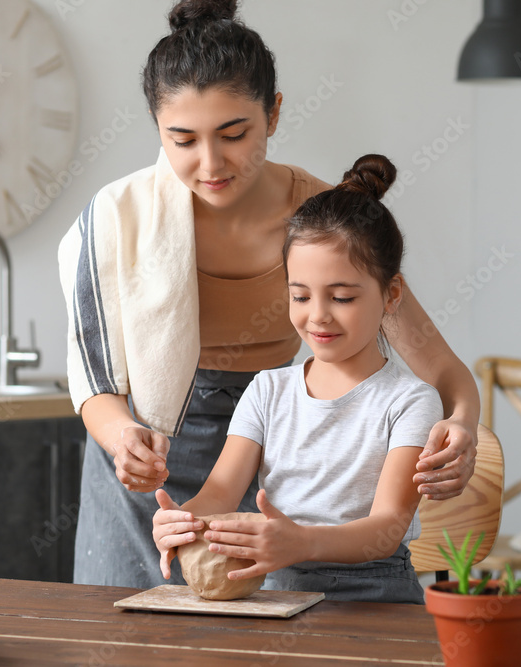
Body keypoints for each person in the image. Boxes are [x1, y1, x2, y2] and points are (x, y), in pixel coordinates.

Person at [58, 0, 480, 590]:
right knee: (126, 636)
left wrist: (463, 426)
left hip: (279, 448)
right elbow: (93, 377)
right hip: (146, 449)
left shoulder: (321, 222)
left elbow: (441, 370)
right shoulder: (115, 220)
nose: (210, 164)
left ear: (274, 114)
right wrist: (123, 437)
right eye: (182, 140)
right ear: (158, 128)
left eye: (234, 135)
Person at [153, 155, 441, 603]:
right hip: (279, 592)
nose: (318, 316)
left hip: (377, 592)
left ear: (392, 295)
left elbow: (386, 530)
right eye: (300, 295)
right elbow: (219, 492)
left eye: (342, 297)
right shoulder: (268, 390)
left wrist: (302, 542)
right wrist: (183, 520)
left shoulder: (409, 401)